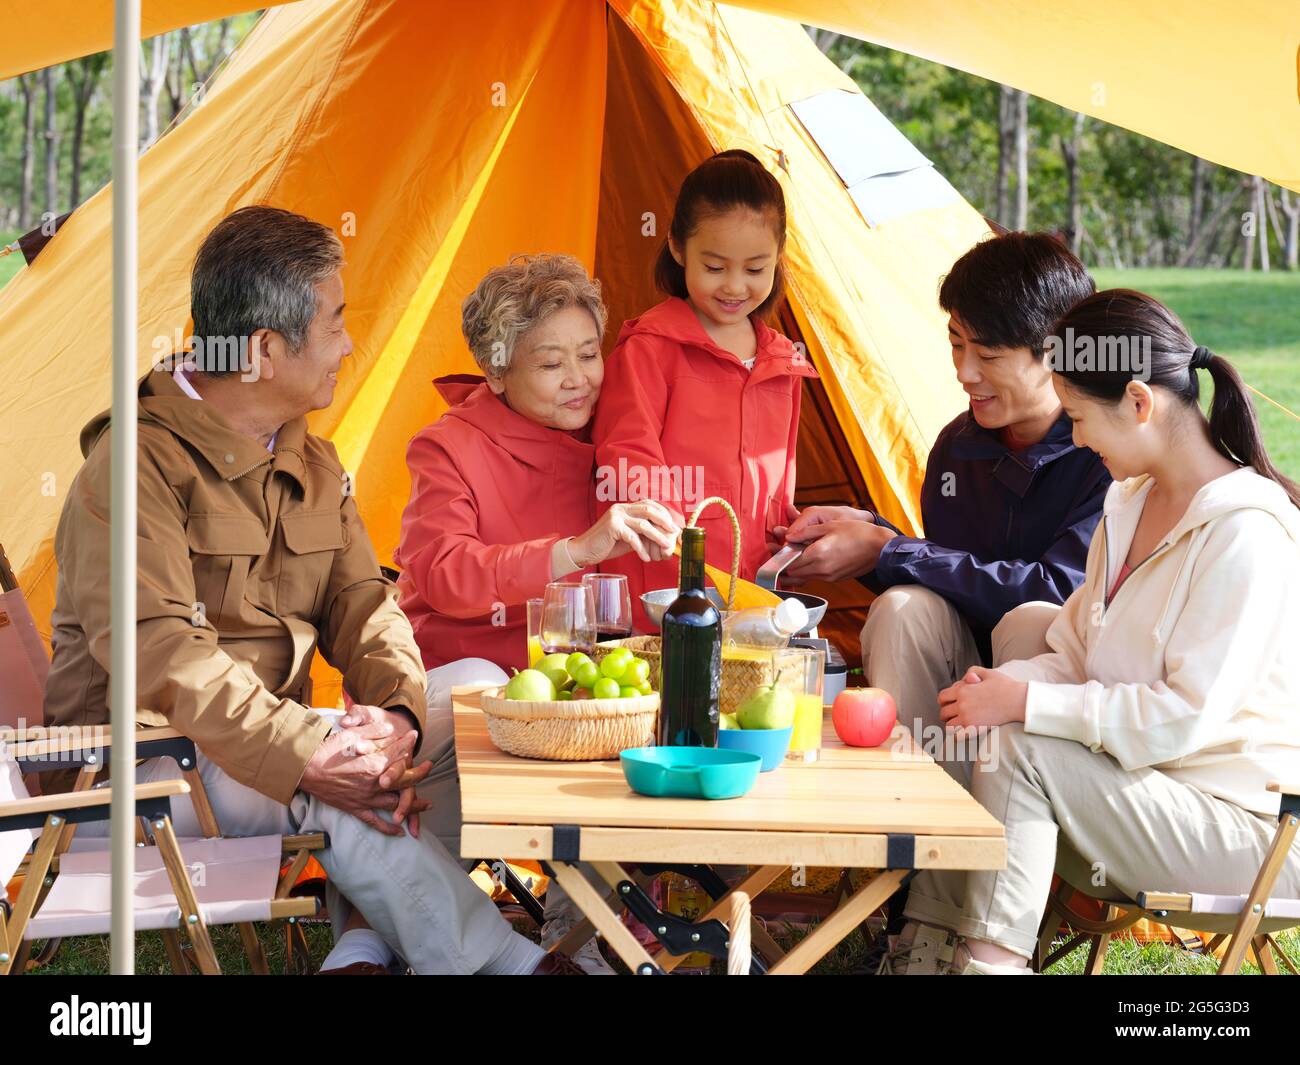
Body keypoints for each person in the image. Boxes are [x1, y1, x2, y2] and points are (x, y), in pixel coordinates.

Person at [42, 206, 584, 975]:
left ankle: (360, 948)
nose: (348, 342)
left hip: (259, 753)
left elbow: (366, 603)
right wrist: (311, 748)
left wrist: (397, 714)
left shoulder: (313, 459)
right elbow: (158, 650)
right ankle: (507, 963)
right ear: (265, 349)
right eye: (335, 320)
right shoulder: (132, 470)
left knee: (482, 701)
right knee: (333, 767)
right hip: (143, 768)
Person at [886, 289, 1300, 974]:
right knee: (1025, 639)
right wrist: (999, 687)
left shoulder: (1247, 535)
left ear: (1140, 402)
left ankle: (981, 960)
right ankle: (941, 935)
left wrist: (1022, 706)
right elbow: (1076, 650)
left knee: (1021, 742)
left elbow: (1180, 720)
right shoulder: (1129, 502)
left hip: (1247, 831)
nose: (1075, 438)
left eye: (1078, 417)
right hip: (1150, 788)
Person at [776, 232, 1108, 781]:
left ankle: (1008, 830)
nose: (964, 372)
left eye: (989, 355)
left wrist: (891, 551)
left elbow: (1057, 591)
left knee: (1031, 623)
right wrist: (867, 540)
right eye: (957, 344)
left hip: (1068, 692)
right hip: (962, 683)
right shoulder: (960, 446)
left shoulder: (1104, 450)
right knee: (904, 609)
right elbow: (948, 576)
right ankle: (919, 827)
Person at [395, 253, 679, 674]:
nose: (577, 379)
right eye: (550, 364)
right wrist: (575, 552)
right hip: (467, 669)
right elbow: (445, 573)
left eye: (588, 355)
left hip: (583, 678)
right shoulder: (446, 447)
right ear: (496, 371)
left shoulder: (619, 434)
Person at [593, 149, 818, 628]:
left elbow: (778, 487)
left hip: (750, 587)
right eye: (714, 267)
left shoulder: (783, 360)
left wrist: (792, 533)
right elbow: (627, 453)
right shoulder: (650, 347)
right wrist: (675, 534)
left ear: (779, 258)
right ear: (677, 247)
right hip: (663, 584)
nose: (735, 286)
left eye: (756, 269)